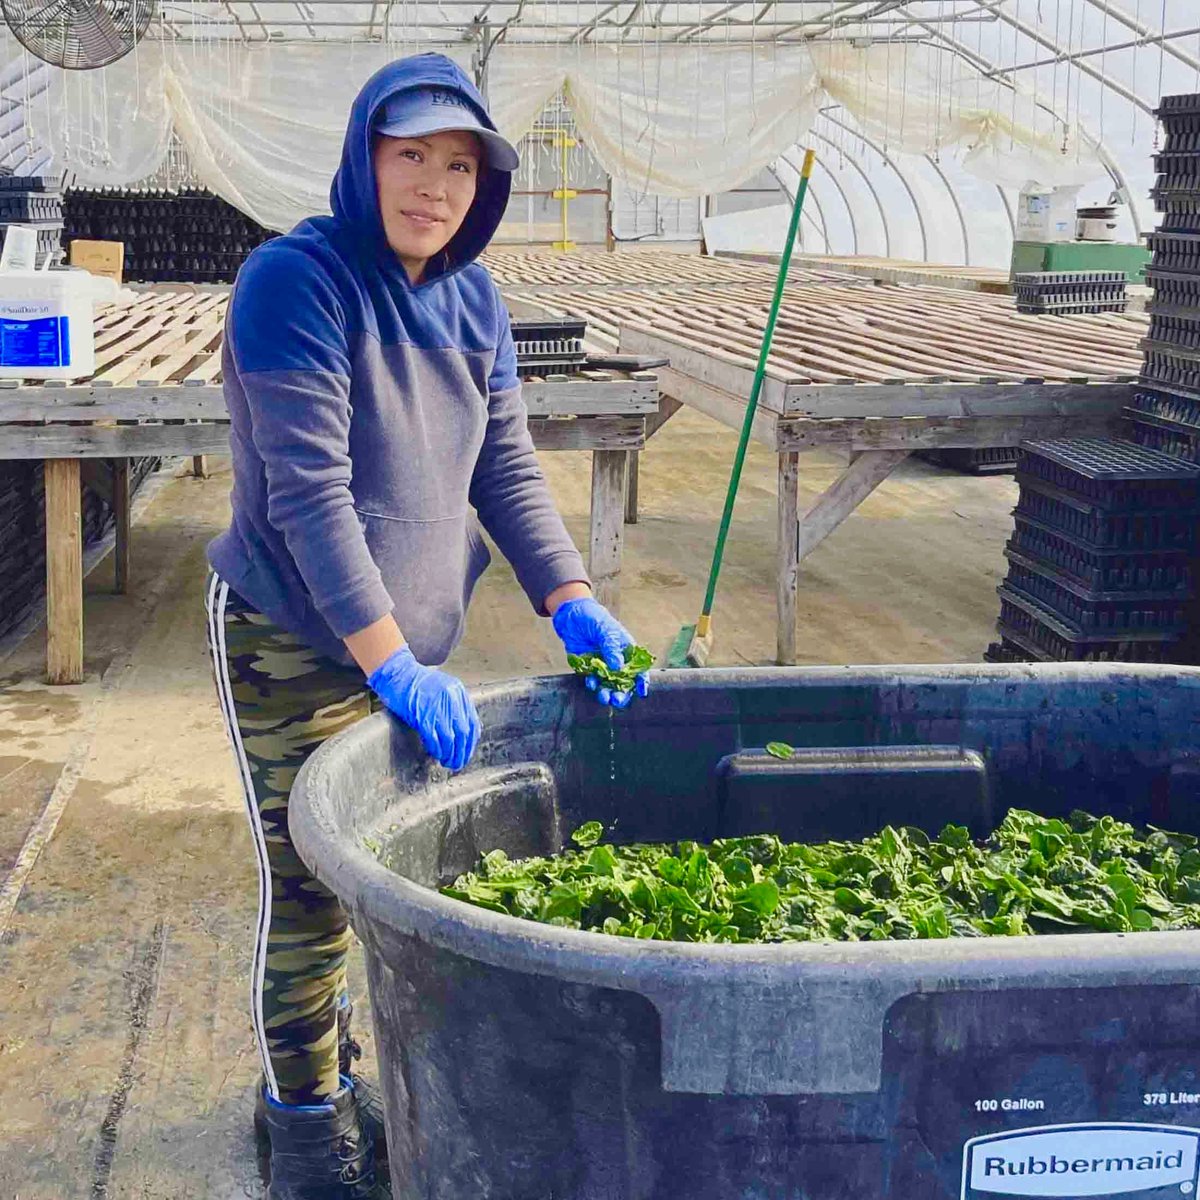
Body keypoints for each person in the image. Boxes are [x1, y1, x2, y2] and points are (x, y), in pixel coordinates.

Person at [204, 52, 649, 1199]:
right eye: (411, 156)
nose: (435, 185)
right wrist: (389, 660)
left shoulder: (475, 297)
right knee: (309, 884)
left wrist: (571, 598)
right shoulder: (294, 282)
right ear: (365, 157)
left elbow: (503, 464)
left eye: (460, 164)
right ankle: (302, 1116)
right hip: (291, 631)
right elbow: (307, 494)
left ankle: (371, 1071)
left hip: (410, 641)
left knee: (393, 877)